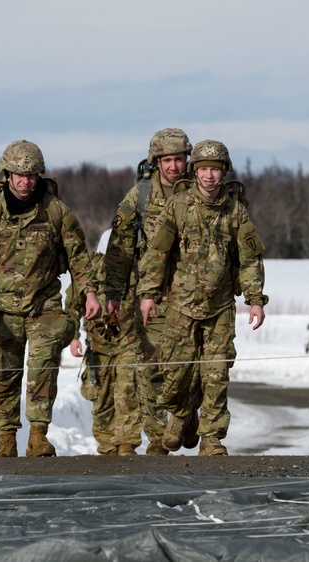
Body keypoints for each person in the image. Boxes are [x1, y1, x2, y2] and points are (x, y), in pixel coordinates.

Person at [0, 139, 99, 458]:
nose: (25, 181)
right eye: (19, 175)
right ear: (7, 175)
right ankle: (6, 441)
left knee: (42, 370)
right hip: (3, 311)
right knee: (3, 376)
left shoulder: (56, 212)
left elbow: (79, 258)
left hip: (44, 308)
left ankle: (38, 437)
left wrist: (89, 291)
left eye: (32, 175)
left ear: (39, 176)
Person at [137, 139, 268, 456]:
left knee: (216, 373)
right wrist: (149, 294)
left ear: (224, 172)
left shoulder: (235, 210)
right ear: (195, 171)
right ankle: (180, 414)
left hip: (220, 306)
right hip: (181, 305)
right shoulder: (179, 206)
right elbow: (158, 253)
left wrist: (255, 299)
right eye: (204, 169)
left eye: (216, 169)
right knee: (176, 372)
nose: (210, 176)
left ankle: (212, 438)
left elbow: (249, 259)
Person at [103, 128, 194, 455]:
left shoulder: (201, 191)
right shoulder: (139, 196)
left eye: (179, 159)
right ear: (156, 162)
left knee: (191, 363)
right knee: (152, 364)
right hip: (151, 295)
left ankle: (187, 412)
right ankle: (158, 437)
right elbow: (120, 246)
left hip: (195, 294)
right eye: (167, 160)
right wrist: (112, 291)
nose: (173, 166)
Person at [67, 230, 146, 456]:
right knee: (101, 399)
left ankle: (126, 445)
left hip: (129, 343)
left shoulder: (138, 268)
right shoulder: (89, 271)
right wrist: (73, 336)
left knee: (128, 393)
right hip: (98, 346)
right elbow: (73, 303)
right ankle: (108, 448)